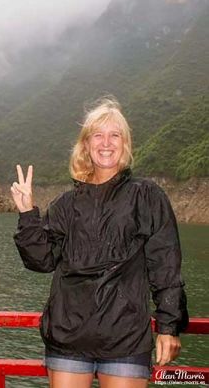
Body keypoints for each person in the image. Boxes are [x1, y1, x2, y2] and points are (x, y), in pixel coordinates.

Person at [10, 96, 188, 388]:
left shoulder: (147, 197)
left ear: (125, 143)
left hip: (126, 340)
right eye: (98, 135)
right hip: (68, 337)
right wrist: (28, 213)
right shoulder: (66, 204)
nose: (106, 143)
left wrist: (169, 326)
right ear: (85, 144)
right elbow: (41, 260)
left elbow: (165, 265)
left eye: (114, 135)